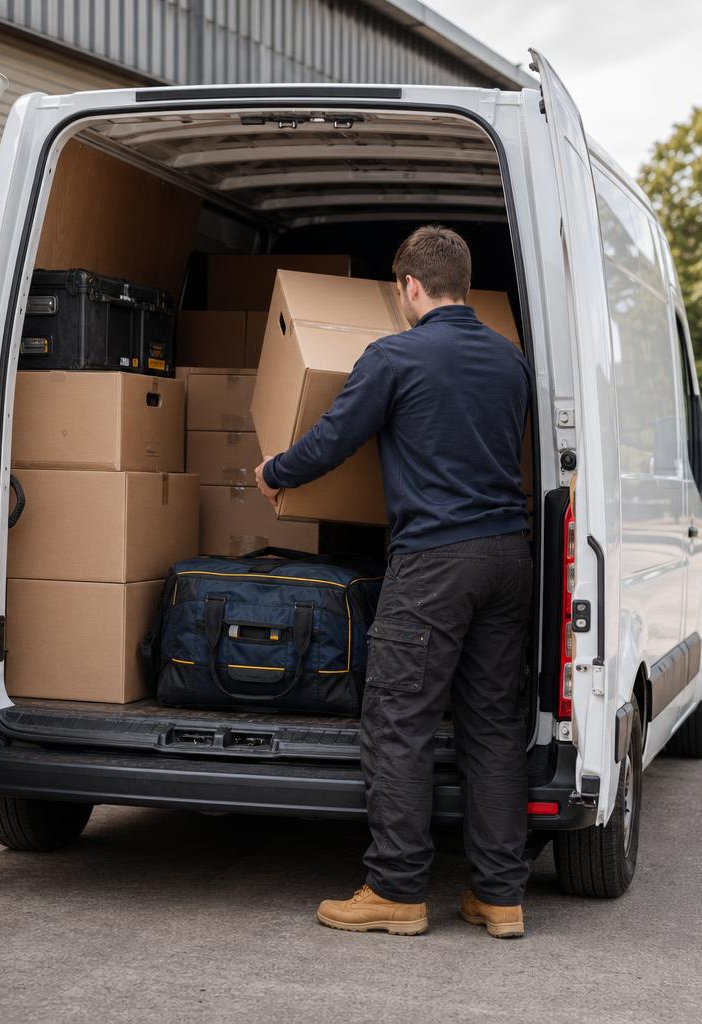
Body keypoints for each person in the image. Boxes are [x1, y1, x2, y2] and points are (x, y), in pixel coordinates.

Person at [255, 225, 533, 939]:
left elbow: (332, 440)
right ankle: (500, 898)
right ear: (462, 285)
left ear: (409, 287)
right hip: (508, 557)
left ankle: (397, 891)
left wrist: (273, 473)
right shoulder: (512, 363)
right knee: (495, 729)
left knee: (399, 720)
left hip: (434, 563)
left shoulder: (395, 355)